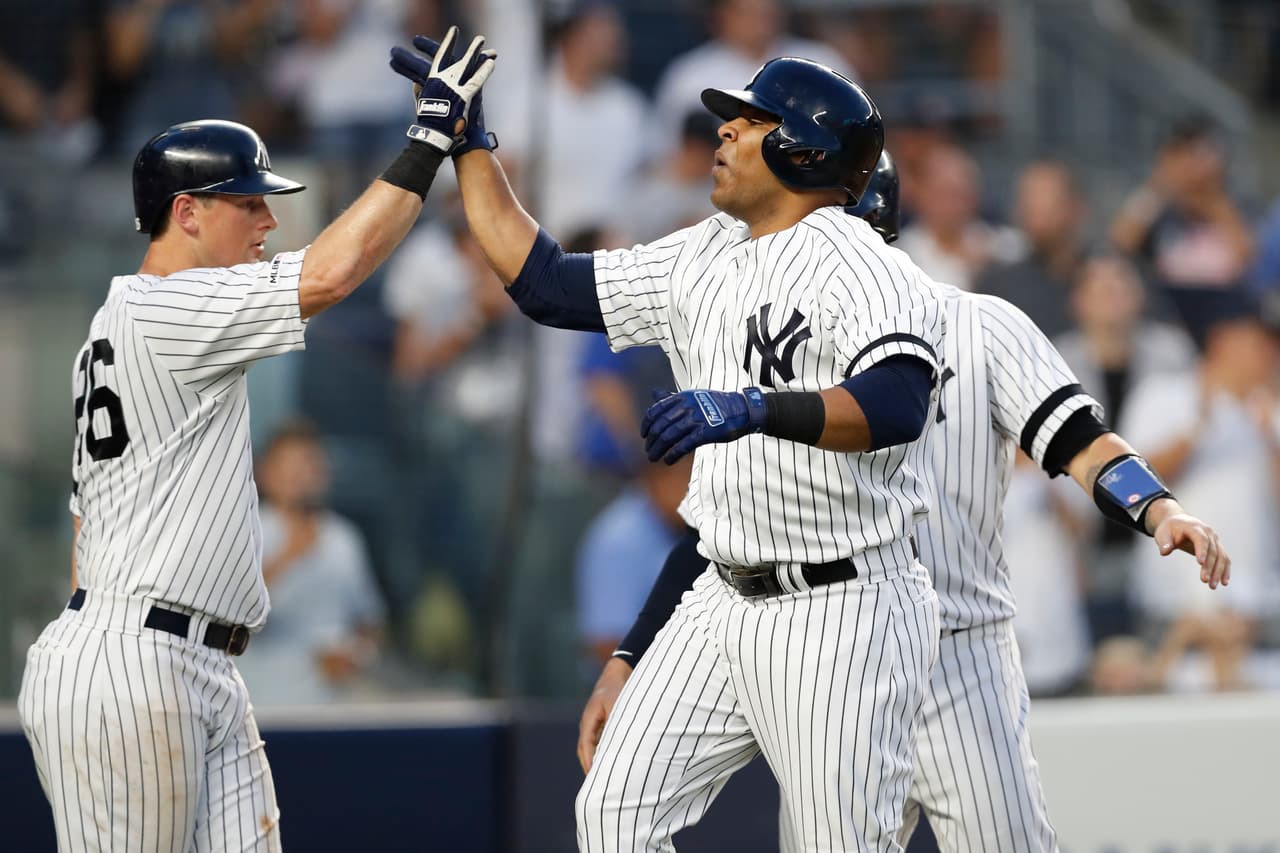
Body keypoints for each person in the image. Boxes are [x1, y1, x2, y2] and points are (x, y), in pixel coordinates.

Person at [578, 153, 1230, 853]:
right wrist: (631, 655)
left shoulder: (979, 325)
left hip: (958, 657)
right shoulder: (776, 352)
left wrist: (1159, 508)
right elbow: (724, 532)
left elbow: (1081, 440)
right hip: (837, 647)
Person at [393, 43, 945, 850]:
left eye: (747, 122)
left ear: (804, 148)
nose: (720, 134)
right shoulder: (704, 251)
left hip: (845, 607)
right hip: (719, 593)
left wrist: (754, 406)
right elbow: (545, 282)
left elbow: (897, 402)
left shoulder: (865, 265)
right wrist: (472, 148)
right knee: (614, 814)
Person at [16, 28, 493, 851]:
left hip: (182, 660)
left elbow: (85, 531)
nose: (269, 217)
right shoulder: (159, 309)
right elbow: (330, 274)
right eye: (248, 201)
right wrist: (425, 141)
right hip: (136, 662)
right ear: (186, 211)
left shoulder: (128, 324)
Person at [235, 421, 387, 706]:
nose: (300, 477)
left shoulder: (344, 538)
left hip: (332, 705)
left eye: (309, 466)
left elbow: (370, 621)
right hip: (261, 707)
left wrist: (358, 655)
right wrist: (291, 554)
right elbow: (233, 615)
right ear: (267, 474)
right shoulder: (246, 532)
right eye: (290, 468)